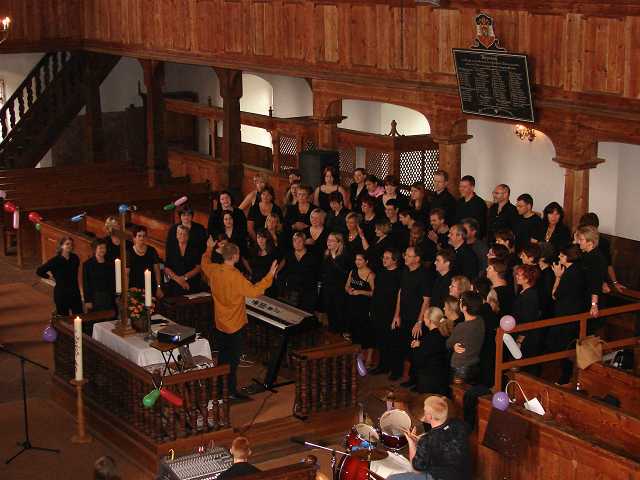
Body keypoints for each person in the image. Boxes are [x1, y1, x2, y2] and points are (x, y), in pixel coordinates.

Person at [201, 240, 277, 399]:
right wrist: (270, 275)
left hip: (220, 322)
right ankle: (230, 391)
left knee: (223, 357)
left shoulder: (214, 270)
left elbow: (204, 263)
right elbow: (254, 291)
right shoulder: (235, 276)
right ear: (235, 256)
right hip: (235, 324)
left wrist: (208, 248)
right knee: (233, 361)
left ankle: (220, 388)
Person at [388, 396, 471, 480]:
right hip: (464, 475)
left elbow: (416, 469)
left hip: (439, 478)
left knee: (391, 478)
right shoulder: (460, 425)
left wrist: (412, 443)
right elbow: (446, 439)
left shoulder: (427, 440)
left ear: (429, 416)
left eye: (424, 410)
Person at [391, 247, 431, 383]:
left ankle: (414, 379)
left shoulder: (424, 275)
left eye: (408, 255)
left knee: (414, 349)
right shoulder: (405, 271)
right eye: (405, 254)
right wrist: (396, 315)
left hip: (415, 318)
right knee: (400, 345)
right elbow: (400, 293)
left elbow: (426, 300)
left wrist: (419, 322)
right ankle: (398, 372)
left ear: (417, 259)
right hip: (403, 316)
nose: (405, 257)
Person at [548, 244, 586, 384]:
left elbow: (555, 294)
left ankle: (565, 378)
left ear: (569, 257)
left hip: (566, 315)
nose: (559, 257)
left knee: (565, 347)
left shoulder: (569, 274)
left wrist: (558, 277)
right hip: (573, 313)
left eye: (562, 255)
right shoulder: (579, 270)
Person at [370, 249, 403, 375]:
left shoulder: (400, 275)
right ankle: (383, 366)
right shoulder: (380, 273)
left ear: (395, 260)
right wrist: (372, 309)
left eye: (387, 258)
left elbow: (400, 296)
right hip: (379, 312)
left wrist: (397, 315)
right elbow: (376, 293)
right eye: (383, 257)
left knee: (393, 342)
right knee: (381, 341)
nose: (384, 260)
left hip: (392, 313)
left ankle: (395, 370)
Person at [578, 212, 625, 291]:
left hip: (594, 282)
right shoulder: (578, 240)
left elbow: (607, 264)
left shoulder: (603, 243)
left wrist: (614, 282)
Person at [37, 236, 83, 316]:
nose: (70, 246)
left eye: (71, 244)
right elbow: (39, 271)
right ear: (61, 245)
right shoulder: (55, 260)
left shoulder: (75, 258)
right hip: (62, 293)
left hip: (74, 291)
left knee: (79, 316)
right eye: (67, 244)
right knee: (64, 318)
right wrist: (50, 277)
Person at [446, 291, 485, 383]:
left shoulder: (462, 327)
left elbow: (448, 344)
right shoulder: (480, 321)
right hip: (474, 364)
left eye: (460, 300)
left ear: (464, 308)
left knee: (457, 390)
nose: (459, 302)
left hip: (460, 367)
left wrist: (453, 345)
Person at [410, 307, 449, 395]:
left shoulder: (429, 338)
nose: (423, 320)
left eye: (424, 317)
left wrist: (416, 348)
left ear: (430, 321)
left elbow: (418, 361)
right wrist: (421, 344)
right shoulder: (444, 333)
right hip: (441, 377)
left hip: (429, 380)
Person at [346, 253, 375, 365]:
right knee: (355, 331)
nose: (357, 262)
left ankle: (369, 357)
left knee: (367, 332)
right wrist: (349, 290)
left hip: (365, 308)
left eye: (360, 260)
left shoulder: (371, 275)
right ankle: (359, 355)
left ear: (366, 261)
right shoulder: (352, 271)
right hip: (353, 306)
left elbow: (374, 293)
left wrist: (360, 292)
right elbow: (346, 286)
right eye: (356, 259)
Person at [576, 225, 608, 328]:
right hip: (585, 297)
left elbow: (595, 283)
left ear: (590, 242)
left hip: (590, 300)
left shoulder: (595, 258)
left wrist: (594, 305)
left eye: (581, 240)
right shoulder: (587, 254)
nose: (578, 242)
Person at [279, 232, 319, 312]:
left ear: (304, 242)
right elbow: (280, 270)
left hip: (307, 293)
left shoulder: (312, 257)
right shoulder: (288, 255)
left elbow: (316, 275)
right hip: (291, 291)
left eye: (299, 241)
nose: (297, 243)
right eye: (295, 241)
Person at [513, 264, 542, 374]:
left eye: (519, 275)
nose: (517, 276)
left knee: (526, 366)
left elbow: (528, 319)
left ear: (527, 278)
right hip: (523, 333)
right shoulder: (525, 292)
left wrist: (520, 339)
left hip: (527, 336)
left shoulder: (530, 295)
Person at [321, 233, 352, 335]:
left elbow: (346, 273)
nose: (328, 242)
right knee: (329, 309)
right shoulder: (326, 254)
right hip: (328, 287)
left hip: (339, 288)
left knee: (339, 310)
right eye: (328, 240)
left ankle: (341, 332)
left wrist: (334, 258)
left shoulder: (345, 256)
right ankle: (332, 330)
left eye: (332, 240)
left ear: (339, 243)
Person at [164, 225, 204, 296]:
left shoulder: (195, 248)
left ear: (188, 236)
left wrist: (184, 278)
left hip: (191, 281)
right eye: (180, 233)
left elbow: (198, 268)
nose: (182, 236)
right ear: (176, 235)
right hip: (175, 281)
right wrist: (178, 280)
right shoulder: (171, 248)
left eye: (185, 234)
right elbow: (167, 268)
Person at [128, 225, 163, 299]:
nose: (142, 238)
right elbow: (126, 274)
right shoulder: (129, 252)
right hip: (135, 289)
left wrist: (159, 287)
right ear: (134, 238)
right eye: (139, 236)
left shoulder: (152, 251)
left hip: (151, 288)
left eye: (144, 236)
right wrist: (127, 290)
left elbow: (157, 271)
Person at [83, 239, 116, 313]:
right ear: (95, 249)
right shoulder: (88, 264)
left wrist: (115, 295)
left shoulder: (110, 263)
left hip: (109, 297)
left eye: (104, 248)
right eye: (100, 248)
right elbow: (86, 283)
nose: (103, 250)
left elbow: (113, 280)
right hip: (95, 298)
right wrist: (87, 300)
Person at [248, 229, 282, 298]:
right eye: (258, 237)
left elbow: (278, 264)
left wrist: (276, 272)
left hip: (268, 284)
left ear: (267, 238)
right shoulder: (254, 250)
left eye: (263, 237)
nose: (260, 239)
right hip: (255, 282)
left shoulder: (274, 251)